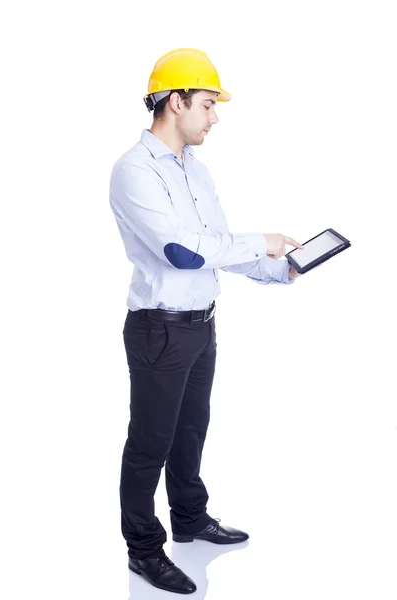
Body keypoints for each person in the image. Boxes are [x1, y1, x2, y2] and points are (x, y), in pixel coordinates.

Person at [109, 47, 303, 595]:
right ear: (176, 102)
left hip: (201, 324)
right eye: (208, 104)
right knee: (151, 441)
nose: (215, 116)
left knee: (192, 430)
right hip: (159, 329)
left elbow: (216, 246)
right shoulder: (133, 171)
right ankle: (144, 549)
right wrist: (258, 239)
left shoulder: (196, 170)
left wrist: (275, 269)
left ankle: (189, 518)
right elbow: (183, 251)